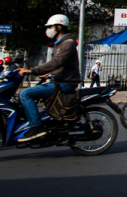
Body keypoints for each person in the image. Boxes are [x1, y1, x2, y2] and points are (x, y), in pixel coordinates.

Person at [16, 14, 81, 142]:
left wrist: (32, 70)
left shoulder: (68, 43)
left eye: (50, 27)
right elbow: (60, 65)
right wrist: (47, 74)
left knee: (25, 94)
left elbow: (57, 62)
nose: (48, 30)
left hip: (65, 83)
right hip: (58, 81)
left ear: (58, 27)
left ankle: (36, 127)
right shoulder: (60, 43)